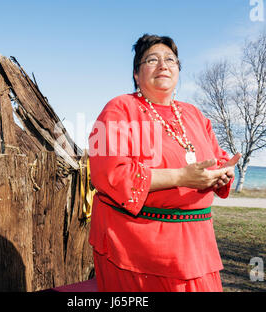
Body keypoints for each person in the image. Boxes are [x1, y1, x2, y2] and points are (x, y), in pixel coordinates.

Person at [88, 34, 241, 292]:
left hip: (197, 247)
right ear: (137, 74)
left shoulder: (194, 114)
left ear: (178, 70)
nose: (163, 65)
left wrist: (221, 173)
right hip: (137, 249)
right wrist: (181, 177)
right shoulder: (119, 109)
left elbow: (216, 156)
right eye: (152, 60)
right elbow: (110, 175)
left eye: (170, 59)